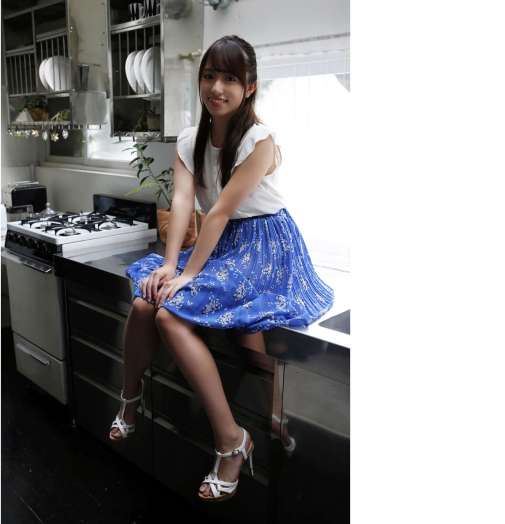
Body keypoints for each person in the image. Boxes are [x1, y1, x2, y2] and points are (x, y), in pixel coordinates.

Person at [108, 34, 334, 502]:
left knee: (171, 315)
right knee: (148, 298)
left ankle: (232, 441)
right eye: (209, 76)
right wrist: (170, 265)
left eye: (230, 78)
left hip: (266, 246)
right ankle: (130, 400)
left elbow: (220, 212)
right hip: (222, 246)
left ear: (249, 87)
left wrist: (188, 275)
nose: (216, 87)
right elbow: (183, 202)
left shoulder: (259, 141)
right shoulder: (191, 139)